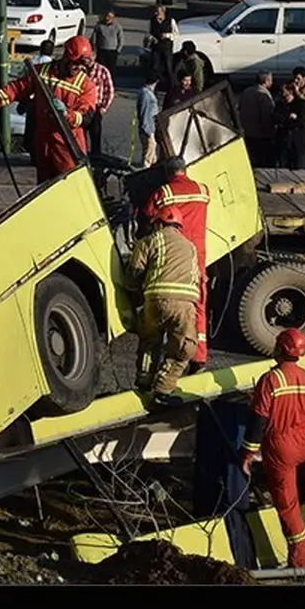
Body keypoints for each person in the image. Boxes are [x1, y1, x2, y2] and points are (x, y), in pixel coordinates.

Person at [240, 328, 305, 569]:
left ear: (280, 349)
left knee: (287, 505)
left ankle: (302, 559)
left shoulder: (271, 380)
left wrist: (247, 454)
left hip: (282, 448)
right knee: (302, 497)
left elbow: (258, 421)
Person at [0, 35, 98, 183]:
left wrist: (67, 114)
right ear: (66, 57)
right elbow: (17, 89)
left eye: (82, 65)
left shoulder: (86, 85)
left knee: (71, 186)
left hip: (68, 146)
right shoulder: (41, 72)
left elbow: (86, 116)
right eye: (75, 64)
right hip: (43, 143)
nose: (78, 68)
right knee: (44, 187)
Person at [127, 205, 200, 408]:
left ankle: (143, 381)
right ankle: (163, 391)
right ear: (178, 226)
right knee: (182, 349)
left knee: (150, 341)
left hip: (154, 301)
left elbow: (133, 276)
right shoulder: (190, 246)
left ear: (158, 223)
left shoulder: (149, 241)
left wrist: (135, 298)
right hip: (184, 305)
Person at [142, 156, 210, 370]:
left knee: (164, 303)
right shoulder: (203, 190)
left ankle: (155, 363)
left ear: (168, 173)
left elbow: (148, 215)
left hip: (171, 253)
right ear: (185, 169)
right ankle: (199, 356)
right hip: (197, 254)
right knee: (197, 305)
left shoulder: (164, 193)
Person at [238, 72, 275, 167]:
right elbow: (266, 116)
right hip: (260, 134)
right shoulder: (263, 94)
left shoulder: (246, 92)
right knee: (261, 162)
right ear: (266, 81)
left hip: (247, 131)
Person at [274, 81, 305, 170]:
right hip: (284, 140)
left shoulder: (301, 104)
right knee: (283, 168)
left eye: (283, 91)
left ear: (290, 91)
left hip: (298, 142)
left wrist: (290, 120)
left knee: (300, 169)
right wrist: (288, 117)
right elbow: (275, 118)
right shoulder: (279, 105)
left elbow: (302, 121)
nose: (281, 93)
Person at [87, 49, 114, 157]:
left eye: (89, 57)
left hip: (95, 108)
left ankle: (95, 156)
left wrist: (103, 108)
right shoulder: (81, 70)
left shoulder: (102, 71)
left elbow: (109, 91)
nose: (87, 60)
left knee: (95, 134)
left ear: (94, 56)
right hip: (81, 107)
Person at [147, 5, 177, 87]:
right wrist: (151, 38)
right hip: (156, 47)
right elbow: (149, 32)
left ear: (163, 12)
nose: (156, 13)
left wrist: (167, 35)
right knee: (155, 67)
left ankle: (172, 86)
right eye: (155, 12)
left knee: (168, 67)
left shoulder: (171, 21)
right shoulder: (152, 20)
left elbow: (176, 34)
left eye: (158, 12)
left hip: (166, 47)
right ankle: (155, 84)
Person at [136, 68, 160, 168]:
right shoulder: (147, 95)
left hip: (148, 128)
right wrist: (149, 132)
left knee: (152, 154)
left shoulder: (144, 92)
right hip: (148, 129)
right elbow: (145, 114)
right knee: (148, 155)